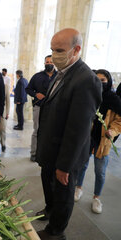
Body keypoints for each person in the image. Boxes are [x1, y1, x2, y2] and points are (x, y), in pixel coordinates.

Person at [35, 28, 102, 240]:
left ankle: (56, 232)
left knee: (63, 191)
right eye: (52, 50)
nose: (54, 55)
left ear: (76, 49)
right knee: (49, 183)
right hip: (51, 147)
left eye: (60, 50)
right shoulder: (61, 73)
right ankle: (50, 210)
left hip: (66, 153)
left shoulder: (85, 79)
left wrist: (65, 165)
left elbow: (79, 129)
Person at [74, 69, 121, 214]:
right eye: (97, 79)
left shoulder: (114, 99)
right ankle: (78, 188)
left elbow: (119, 121)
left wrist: (111, 132)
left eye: (103, 80)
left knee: (100, 171)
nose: (100, 83)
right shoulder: (89, 96)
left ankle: (96, 198)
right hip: (87, 138)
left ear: (109, 81)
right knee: (82, 165)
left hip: (103, 141)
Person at [26, 55, 57, 161]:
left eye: (51, 62)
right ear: (44, 63)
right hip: (39, 107)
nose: (49, 64)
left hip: (54, 109)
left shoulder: (60, 76)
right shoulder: (37, 76)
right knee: (37, 130)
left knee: (52, 131)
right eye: (47, 62)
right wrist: (36, 94)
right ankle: (33, 153)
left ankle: (47, 153)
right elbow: (28, 89)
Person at [0, 77, 10, 152]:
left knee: (3, 130)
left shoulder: (6, 86)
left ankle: (3, 144)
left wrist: (7, 112)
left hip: (2, 113)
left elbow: (8, 100)